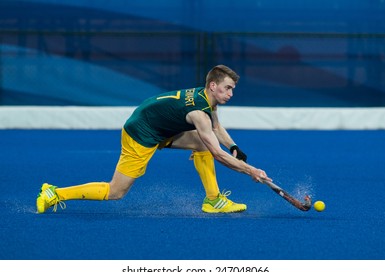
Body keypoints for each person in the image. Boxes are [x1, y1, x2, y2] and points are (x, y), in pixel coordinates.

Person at [36, 65, 271, 214]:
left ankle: (213, 200)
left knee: (201, 143)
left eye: (232, 89)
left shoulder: (206, 98)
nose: (231, 94)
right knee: (116, 191)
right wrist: (251, 170)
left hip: (158, 126)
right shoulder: (199, 112)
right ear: (213, 85)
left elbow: (216, 127)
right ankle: (54, 193)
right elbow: (218, 155)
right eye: (227, 88)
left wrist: (234, 146)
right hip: (141, 133)